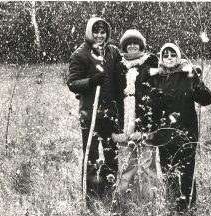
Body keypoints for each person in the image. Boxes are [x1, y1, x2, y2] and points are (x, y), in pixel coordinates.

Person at [148, 43, 211, 213]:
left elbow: (205, 100)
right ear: (161, 58)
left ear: (178, 57)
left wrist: (200, 87)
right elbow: (152, 106)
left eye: (172, 55)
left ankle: (188, 205)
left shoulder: (189, 75)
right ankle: (172, 203)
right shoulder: (156, 77)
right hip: (164, 131)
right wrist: (157, 99)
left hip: (186, 130)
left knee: (186, 169)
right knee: (168, 169)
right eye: (166, 55)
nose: (169, 58)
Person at [67, 17, 122, 201]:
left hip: (110, 113)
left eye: (103, 32)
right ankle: (91, 195)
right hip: (90, 114)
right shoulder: (80, 54)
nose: (99, 35)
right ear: (90, 32)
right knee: (91, 155)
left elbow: (122, 72)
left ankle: (108, 189)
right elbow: (73, 82)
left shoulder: (112, 52)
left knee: (111, 154)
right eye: (96, 31)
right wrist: (91, 82)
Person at [111, 29, 160, 199]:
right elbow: (112, 92)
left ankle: (150, 200)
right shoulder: (118, 67)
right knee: (126, 165)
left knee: (147, 166)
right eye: (128, 43)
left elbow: (170, 67)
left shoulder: (151, 63)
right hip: (123, 121)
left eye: (135, 43)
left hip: (146, 120)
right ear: (124, 46)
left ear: (141, 45)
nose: (132, 46)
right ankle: (124, 200)